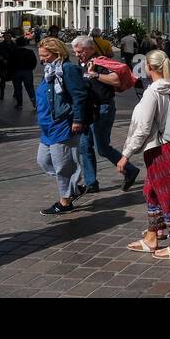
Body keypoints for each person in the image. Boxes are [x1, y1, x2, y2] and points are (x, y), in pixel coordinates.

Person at [117, 51, 170, 259]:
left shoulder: (153, 92)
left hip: (159, 149)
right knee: (151, 191)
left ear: (148, 67)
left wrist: (126, 154)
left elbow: (143, 128)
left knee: (168, 194)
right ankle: (152, 238)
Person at [73, 36, 140, 194]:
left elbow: (115, 80)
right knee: (84, 146)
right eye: (75, 52)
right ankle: (91, 183)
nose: (77, 55)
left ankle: (130, 169)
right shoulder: (81, 62)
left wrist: (94, 75)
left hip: (103, 108)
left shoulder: (100, 62)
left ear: (90, 49)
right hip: (87, 110)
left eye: (80, 51)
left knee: (102, 148)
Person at [34, 37, 89, 215]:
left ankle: (65, 202)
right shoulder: (50, 69)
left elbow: (79, 96)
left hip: (62, 124)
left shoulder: (67, 69)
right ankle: (73, 187)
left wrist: (77, 120)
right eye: (40, 55)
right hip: (48, 125)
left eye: (45, 55)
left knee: (63, 165)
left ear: (57, 53)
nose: (42, 59)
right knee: (43, 160)